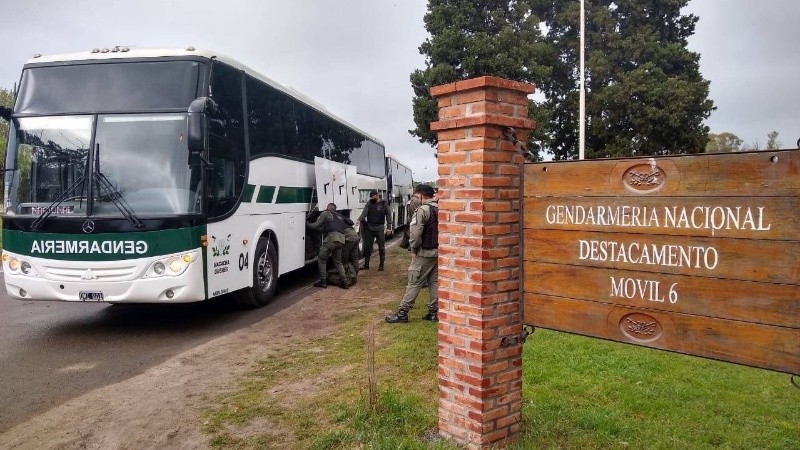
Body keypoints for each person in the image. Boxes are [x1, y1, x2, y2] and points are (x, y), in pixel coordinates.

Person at [385, 184, 438, 323]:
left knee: (414, 282)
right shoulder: (440, 208)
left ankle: (403, 313)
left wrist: (413, 249)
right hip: (438, 252)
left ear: (421, 195)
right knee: (434, 283)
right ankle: (434, 312)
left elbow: (415, 234)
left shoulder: (422, 210)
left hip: (424, 252)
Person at [306, 202, 350, 289]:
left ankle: (323, 282)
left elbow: (316, 225)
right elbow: (326, 228)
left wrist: (307, 223)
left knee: (321, 259)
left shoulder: (326, 213)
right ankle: (345, 282)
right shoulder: (339, 216)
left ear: (328, 208)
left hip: (332, 239)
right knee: (338, 261)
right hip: (341, 239)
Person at [357, 190, 392, 271]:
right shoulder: (369, 203)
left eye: (373, 197)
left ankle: (381, 265)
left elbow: (388, 215)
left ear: (377, 195)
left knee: (381, 247)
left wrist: (389, 227)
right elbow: (364, 213)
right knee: (367, 247)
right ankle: (366, 264)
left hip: (379, 228)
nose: (372, 199)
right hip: (370, 228)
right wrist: (359, 219)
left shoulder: (384, 204)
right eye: (371, 198)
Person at [341, 219, 361, 285]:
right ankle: (355, 273)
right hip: (355, 236)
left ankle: (346, 274)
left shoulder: (339, 222)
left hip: (350, 238)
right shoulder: (346, 220)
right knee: (355, 257)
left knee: (345, 255)